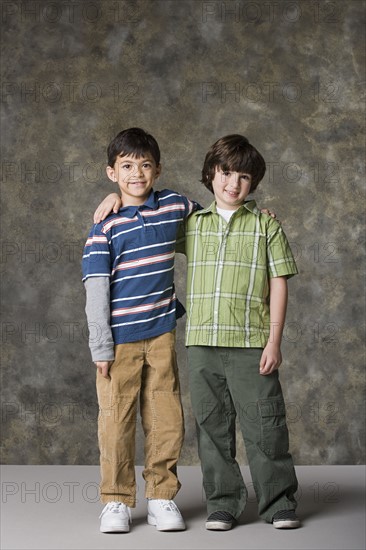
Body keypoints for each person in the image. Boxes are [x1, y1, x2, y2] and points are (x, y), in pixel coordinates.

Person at [94, 133, 300, 531]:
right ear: (210, 175)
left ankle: (278, 503)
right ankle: (222, 502)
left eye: (243, 177)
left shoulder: (262, 226)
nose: (232, 183)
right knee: (211, 427)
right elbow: (147, 222)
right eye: (225, 173)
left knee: (264, 423)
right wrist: (115, 199)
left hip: (250, 341)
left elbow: (279, 282)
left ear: (253, 183)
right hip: (202, 343)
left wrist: (274, 340)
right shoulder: (192, 222)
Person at [82, 127, 198, 533]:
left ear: (158, 169)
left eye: (145, 165)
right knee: (116, 420)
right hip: (119, 342)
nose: (137, 173)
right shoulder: (105, 228)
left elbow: (219, 220)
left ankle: (162, 496)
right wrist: (101, 345)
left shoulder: (174, 206)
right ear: (111, 172)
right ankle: (116, 500)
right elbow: (96, 292)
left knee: (166, 417)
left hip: (161, 333)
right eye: (127, 166)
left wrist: (258, 210)